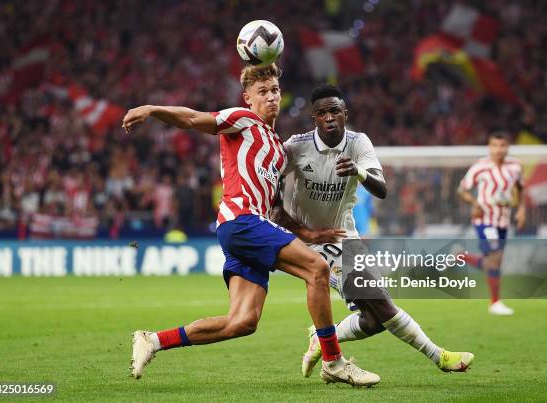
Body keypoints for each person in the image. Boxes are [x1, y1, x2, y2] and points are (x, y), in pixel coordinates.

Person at [122, 65, 379, 386]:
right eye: (262, 92)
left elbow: (276, 211)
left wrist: (311, 233)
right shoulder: (242, 120)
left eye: (274, 91)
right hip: (241, 220)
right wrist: (152, 109)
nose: (270, 97)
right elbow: (191, 118)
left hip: (249, 227)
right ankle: (333, 361)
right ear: (248, 99)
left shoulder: (277, 150)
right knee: (317, 269)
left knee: (242, 322)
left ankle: (153, 339)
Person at [273, 84, 474, 378]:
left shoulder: (358, 142)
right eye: (322, 113)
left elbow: (381, 188)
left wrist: (358, 170)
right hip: (313, 240)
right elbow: (271, 193)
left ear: (345, 113)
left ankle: (324, 340)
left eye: (335, 111)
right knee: (381, 302)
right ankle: (439, 356)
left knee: (374, 318)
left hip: (345, 235)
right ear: (314, 118)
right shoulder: (295, 146)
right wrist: (301, 231)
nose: (329, 117)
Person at [457, 132, 526, 315]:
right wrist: (475, 203)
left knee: (494, 262)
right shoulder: (481, 167)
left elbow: (520, 189)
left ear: (507, 147)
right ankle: (495, 303)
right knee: (494, 259)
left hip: (503, 220)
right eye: (494, 145)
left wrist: (521, 210)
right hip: (484, 219)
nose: (498, 149)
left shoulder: (516, 167)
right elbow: (462, 189)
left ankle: (461, 256)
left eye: (502, 145)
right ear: (489, 147)